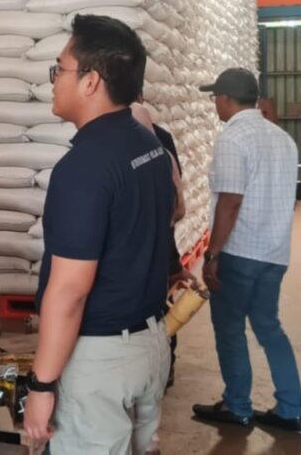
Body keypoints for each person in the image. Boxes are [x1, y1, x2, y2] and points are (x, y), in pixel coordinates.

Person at [23, 15, 174, 455]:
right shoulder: (148, 146)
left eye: (60, 69)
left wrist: (41, 385)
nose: (54, 80)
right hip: (149, 344)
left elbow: (70, 292)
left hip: (100, 362)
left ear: (90, 81)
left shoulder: (84, 168)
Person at [192, 68, 301, 433]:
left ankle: (237, 406)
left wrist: (213, 254)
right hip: (274, 252)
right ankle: (291, 408)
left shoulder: (232, 138)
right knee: (269, 327)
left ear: (226, 98)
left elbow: (231, 201)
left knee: (229, 328)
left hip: (240, 252)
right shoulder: (282, 138)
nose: (215, 103)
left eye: (216, 97)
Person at [131, 102, 193, 390]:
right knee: (157, 311)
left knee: (157, 314)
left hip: (150, 252)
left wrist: (173, 263)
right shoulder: (161, 144)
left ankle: (163, 367)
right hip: (155, 250)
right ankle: (161, 369)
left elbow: (169, 208)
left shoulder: (154, 146)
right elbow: (175, 207)